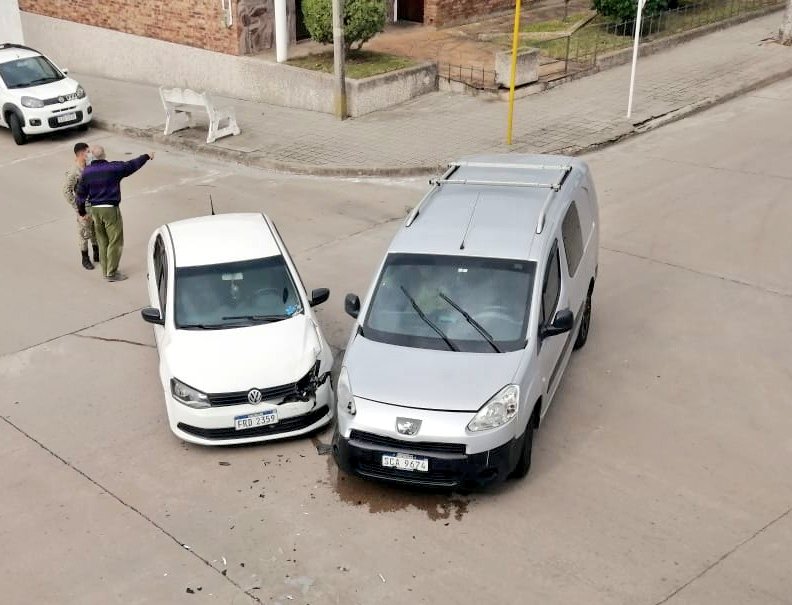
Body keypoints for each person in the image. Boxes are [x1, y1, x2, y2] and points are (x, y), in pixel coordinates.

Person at [76, 146, 154, 282]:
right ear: (104, 155)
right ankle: (111, 273)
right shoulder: (114, 168)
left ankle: (106, 271)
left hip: (95, 210)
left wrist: (82, 212)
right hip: (110, 209)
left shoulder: (87, 172)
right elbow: (132, 165)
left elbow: (80, 195)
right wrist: (146, 156)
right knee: (115, 241)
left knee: (102, 241)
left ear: (91, 157)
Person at [62, 142, 98, 270]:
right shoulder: (74, 172)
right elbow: (66, 191)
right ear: (82, 154)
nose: (90, 154)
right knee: (84, 233)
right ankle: (85, 258)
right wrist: (78, 209)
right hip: (84, 207)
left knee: (95, 230)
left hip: (94, 204)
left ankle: (97, 254)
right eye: (88, 152)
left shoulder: (89, 167)